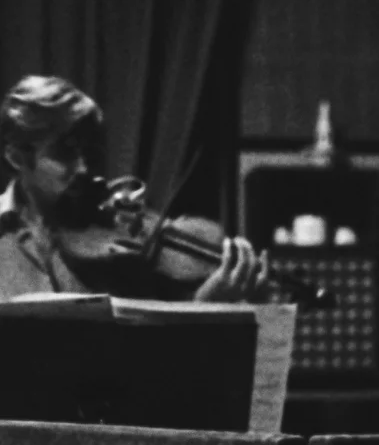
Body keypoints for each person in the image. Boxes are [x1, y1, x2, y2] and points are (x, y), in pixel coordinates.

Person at [1, 75, 266, 302]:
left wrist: (205, 304)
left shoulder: (123, 250)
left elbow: (146, 341)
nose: (83, 168)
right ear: (17, 158)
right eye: (65, 153)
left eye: (90, 152)